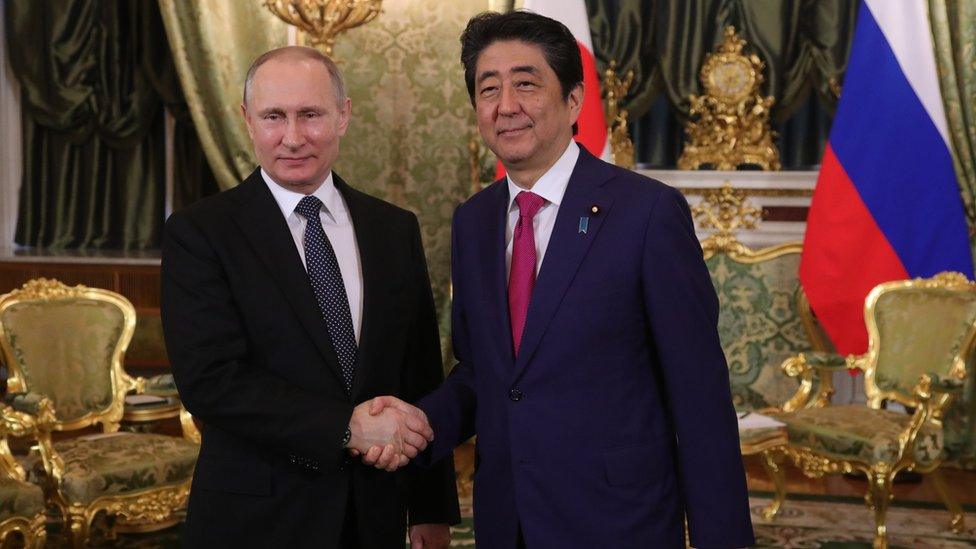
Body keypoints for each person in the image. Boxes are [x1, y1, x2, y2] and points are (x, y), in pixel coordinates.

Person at [367, 11, 755, 548]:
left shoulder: (646, 213)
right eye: (489, 89)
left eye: (526, 83)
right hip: (507, 520)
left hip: (618, 521)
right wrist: (420, 423)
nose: (506, 105)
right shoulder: (473, 221)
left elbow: (699, 397)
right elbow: (486, 372)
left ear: (574, 100)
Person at [160, 46, 459, 548]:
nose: (293, 137)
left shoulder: (393, 229)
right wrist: (345, 427)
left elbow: (420, 372)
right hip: (258, 517)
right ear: (247, 121)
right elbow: (211, 381)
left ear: (342, 116)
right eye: (274, 116)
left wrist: (431, 509)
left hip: (375, 512)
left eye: (311, 115)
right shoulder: (200, 232)